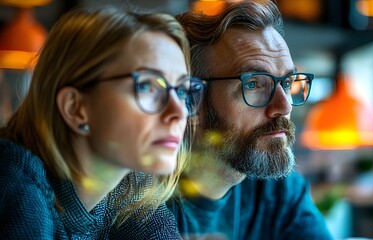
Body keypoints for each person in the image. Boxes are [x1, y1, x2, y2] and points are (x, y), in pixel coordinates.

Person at [0, 5, 206, 239]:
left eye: (181, 90)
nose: (179, 112)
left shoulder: (126, 187)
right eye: (147, 86)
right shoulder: (14, 190)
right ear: (75, 108)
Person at [167, 1, 333, 239]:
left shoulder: (279, 190)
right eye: (253, 84)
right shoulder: (138, 198)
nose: (284, 106)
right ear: (191, 100)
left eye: (286, 83)